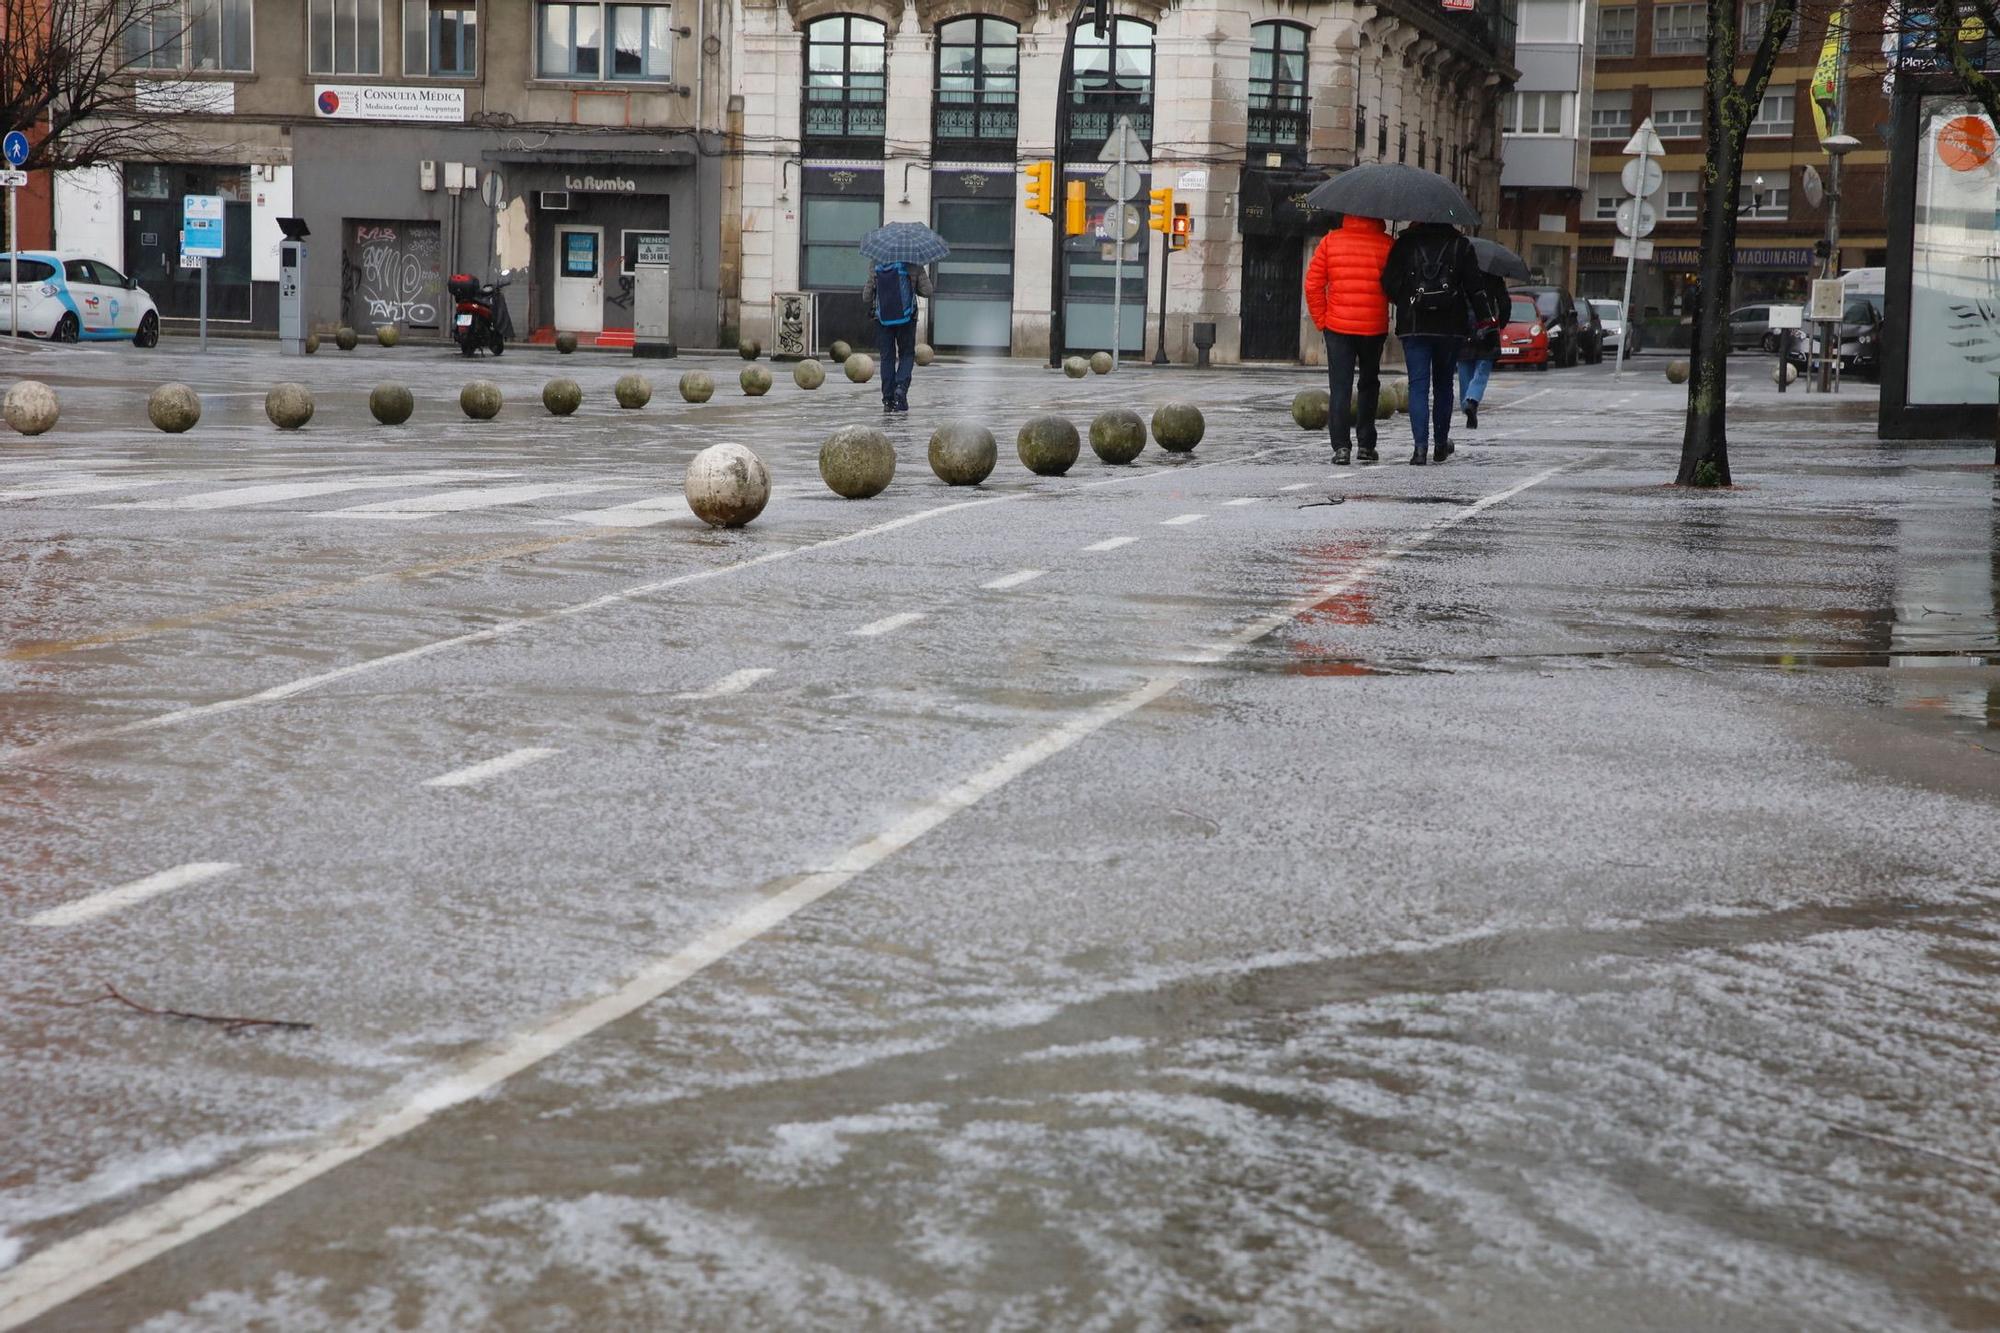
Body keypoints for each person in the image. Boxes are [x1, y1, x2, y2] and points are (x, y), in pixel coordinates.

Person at [1381, 222, 1488, 465]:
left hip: (1414, 326)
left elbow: (1388, 283)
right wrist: (1484, 320)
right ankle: (1440, 444)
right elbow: (1475, 286)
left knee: (1417, 387)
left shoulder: (1405, 244)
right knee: (1443, 386)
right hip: (1450, 327)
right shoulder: (1460, 245)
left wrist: (1407, 300)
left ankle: (1420, 449)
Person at [1303, 214, 1395, 465]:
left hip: (1338, 326)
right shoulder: (1387, 244)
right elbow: (1395, 287)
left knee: (1340, 387)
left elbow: (1313, 285)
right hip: (1373, 326)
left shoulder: (1330, 241)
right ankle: (1366, 443)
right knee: (1369, 383)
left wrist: (1323, 320)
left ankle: (1341, 447)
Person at [861, 260, 934, 413]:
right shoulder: (914, 263)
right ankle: (900, 388)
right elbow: (927, 291)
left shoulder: (876, 262)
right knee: (907, 355)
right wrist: (913, 288)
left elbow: (866, 297)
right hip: (907, 318)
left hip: (882, 319)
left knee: (887, 357)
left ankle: (888, 399)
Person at [1457, 270, 1509, 431]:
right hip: (1487, 328)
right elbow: (1504, 302)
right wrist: (1502, 322)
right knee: (1482, 370)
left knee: (1464, 369)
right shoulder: (1494, 276)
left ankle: (1467, 404)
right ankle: (1472, 400)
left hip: (1463, 327)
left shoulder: (1461, 272)